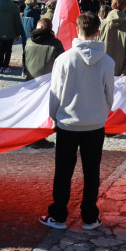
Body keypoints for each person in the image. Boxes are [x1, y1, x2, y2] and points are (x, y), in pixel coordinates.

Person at [40, 12, 115, 230]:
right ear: (98, 31)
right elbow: (109, 94)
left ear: (77, 30)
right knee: (92, 172)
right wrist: (102, 112)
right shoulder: (107, 62)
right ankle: (90, 216)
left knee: (63, 171)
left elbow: (55, 92)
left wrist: (54, 115)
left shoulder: (64, 59)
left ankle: (59, 215)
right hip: (95, 124)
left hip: (68, 123)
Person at [97, 0, 126, 77]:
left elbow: (96, 43)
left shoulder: (102, 24)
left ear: (112, 6)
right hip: (119, 69)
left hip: (102, 67)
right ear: (125, 7)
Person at [0, 0, 23, 73]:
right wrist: (18, 33)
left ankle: (0, 66)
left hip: (1, 31)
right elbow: (17, 22)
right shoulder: (14, 7)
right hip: (11, 31)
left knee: (1, 49)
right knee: (8, 49)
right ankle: (6, 66)